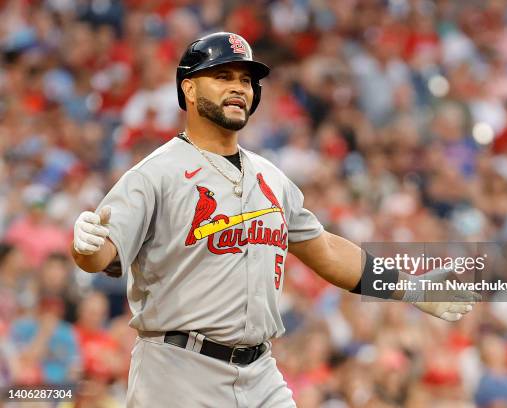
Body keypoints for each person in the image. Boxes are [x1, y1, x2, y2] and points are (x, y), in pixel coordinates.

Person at [71, 32, 477, 407]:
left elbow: (327, 250)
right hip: (177, 372)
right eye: (222, 76)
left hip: (261, 372)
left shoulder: (271, 177)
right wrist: (86, 246)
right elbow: (102, 253)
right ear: (189, 88)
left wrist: (409, 290)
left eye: (246, 80)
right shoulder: (154, 173)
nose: (238, 87)